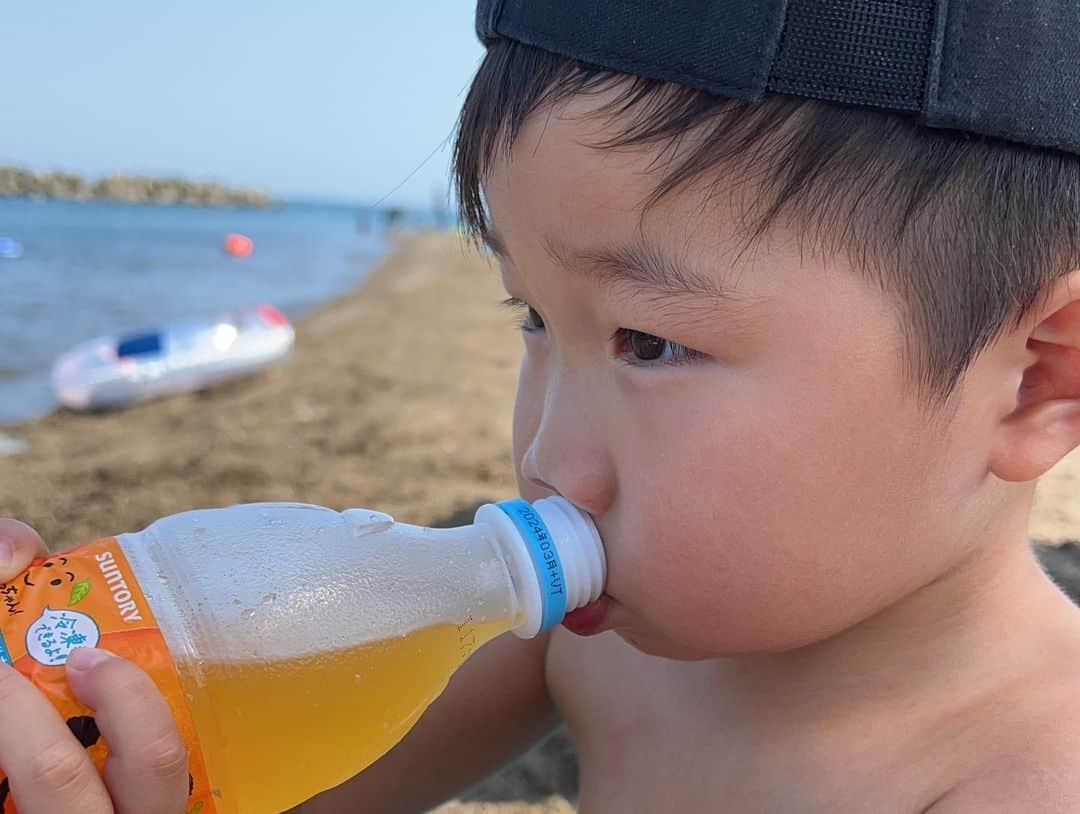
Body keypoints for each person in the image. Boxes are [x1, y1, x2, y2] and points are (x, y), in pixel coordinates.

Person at [5, 2, 1080, 810]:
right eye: (531, 316)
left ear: (1036, 380)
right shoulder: (588, 644)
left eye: (650, 342)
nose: (546, 460)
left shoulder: (1021, 778)